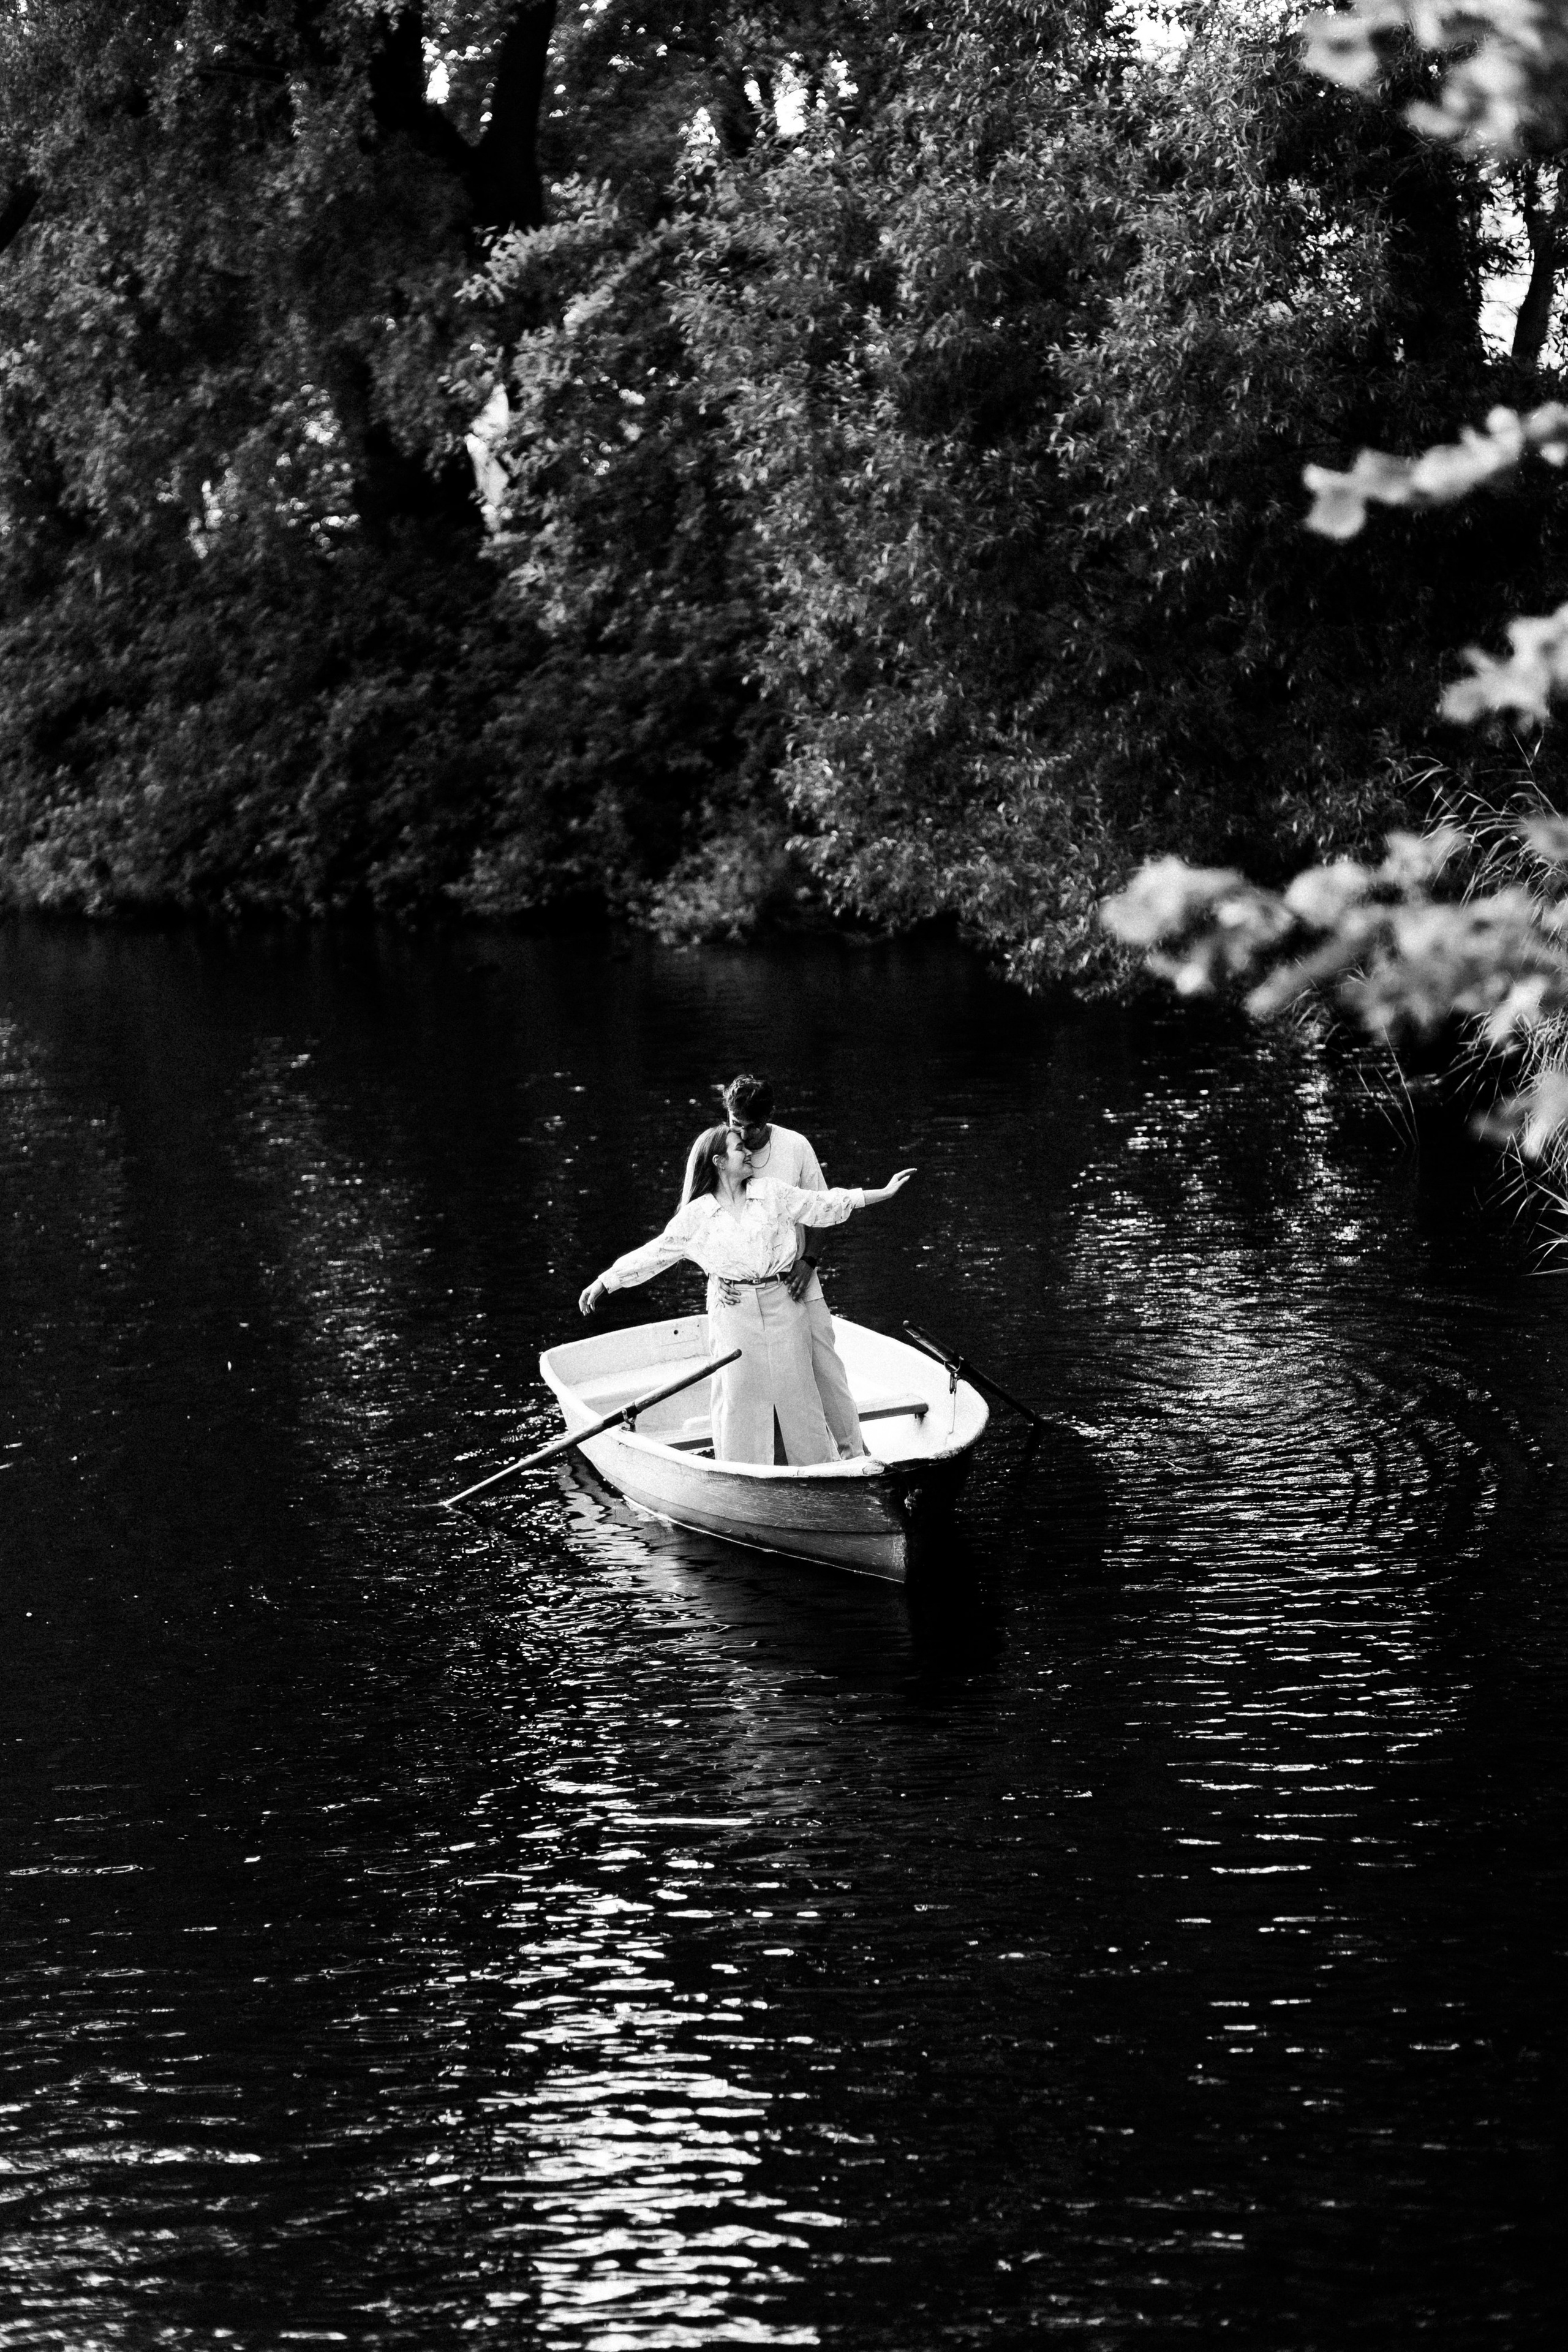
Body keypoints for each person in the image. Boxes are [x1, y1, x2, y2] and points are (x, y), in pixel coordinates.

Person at [578, 1126, 916, 1466]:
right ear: (720, 1161)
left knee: (799, 1394)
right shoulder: (697, 1214)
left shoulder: (771, 1192)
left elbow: (823, 1204)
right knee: (739, 1399)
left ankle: (819, 1471)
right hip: (734, 1310)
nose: (749, 1153)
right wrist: (605, 1281)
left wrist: (882, 1193)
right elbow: (655, 1254)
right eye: (740, 1149)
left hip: (784, 1302)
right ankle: (742, 1474)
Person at [720, 1073, 867, 1458]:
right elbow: (700, 1222)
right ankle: (754, 1464)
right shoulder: (719, 1151)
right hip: (737, 1286)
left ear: (768, 1118)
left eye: (751, 1126)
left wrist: (809, 1261)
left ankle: (855, 1454)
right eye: (735, 1122)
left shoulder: (795, 1146)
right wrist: (715, 1274)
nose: (743, 1134)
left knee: (825, 1369)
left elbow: (824, 1209)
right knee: (741, 1381)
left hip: (799, 1278)